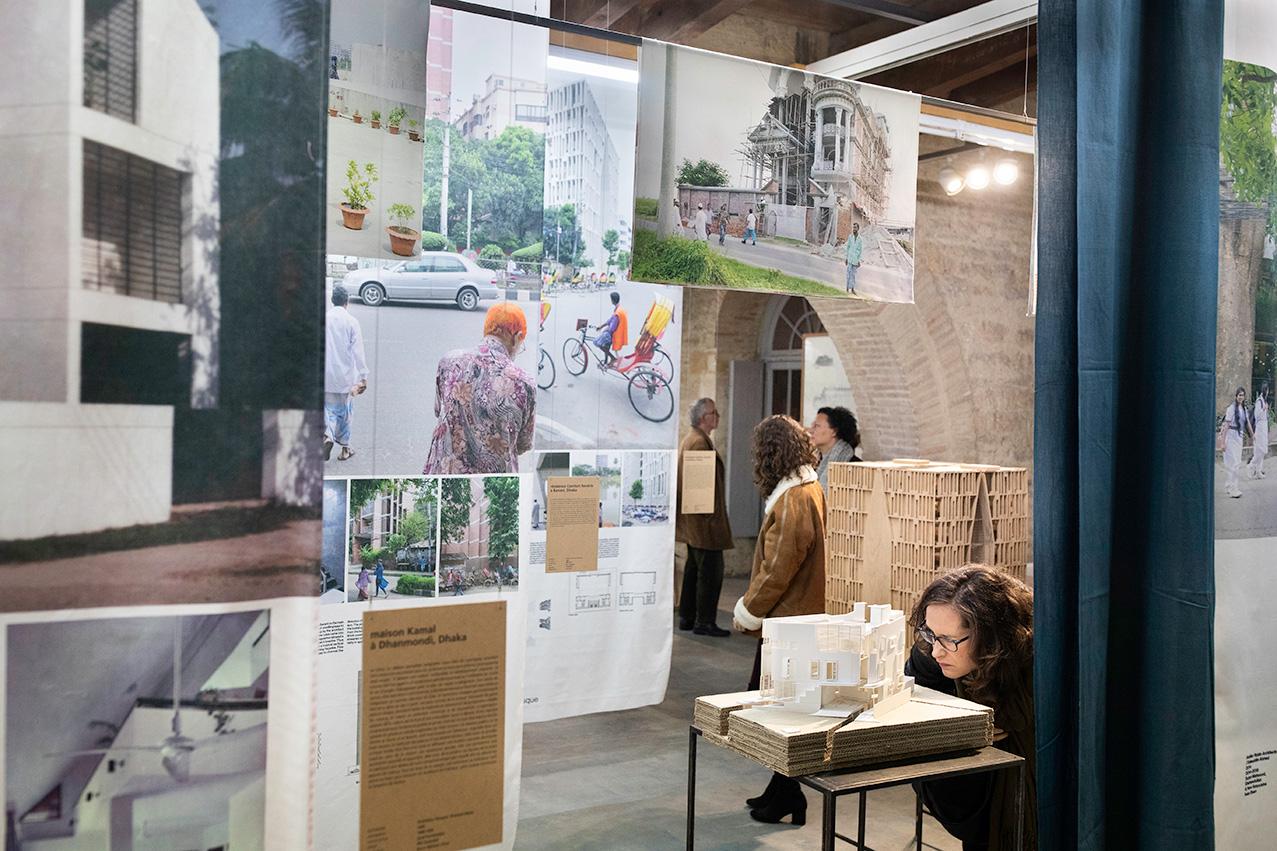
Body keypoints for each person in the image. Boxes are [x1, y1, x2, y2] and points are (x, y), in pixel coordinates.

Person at [731, 415, 826, 826]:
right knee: (780, 707)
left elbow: (777, 570)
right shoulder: (806, 489)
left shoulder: (794, 499)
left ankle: (788, 794)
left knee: (778, 709)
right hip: (796, 618)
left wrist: (747, 610)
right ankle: (782, 790)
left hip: (790, 621)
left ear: (771, 453)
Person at [905, 565, 1036, 851]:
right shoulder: (929, 658)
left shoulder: (1032, 669)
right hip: (964, 800)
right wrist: (960, 729)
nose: (937, 650)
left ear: (990, 636)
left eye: (949, 640)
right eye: (931, 633)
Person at [424, 303, 535, 474]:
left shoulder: (448, 362)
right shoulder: (524, 383)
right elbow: (523, 444)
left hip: (445, 474)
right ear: (517, 337)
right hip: (495, 479)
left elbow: (439, 410)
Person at [676, 398, 734, 637]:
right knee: (710, 572)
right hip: (704, 522)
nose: (717, 416)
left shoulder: (693, 439)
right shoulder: (699, 443)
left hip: (696, 521)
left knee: (694, 568)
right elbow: (699, 488)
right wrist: (711, 521)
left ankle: (688, 617)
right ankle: (704, 621)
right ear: (703, 418)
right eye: (713, 412)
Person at [324, 284, 368, 462]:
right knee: (345, 411)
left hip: (326, 375)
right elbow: (358, 351)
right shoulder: (351, 322)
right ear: (346, 302)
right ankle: (345, 450)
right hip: (345, 376)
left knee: (328, 409)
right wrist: (363, 377)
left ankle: (327, 435)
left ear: (332, 300)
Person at [809, 405, 861, 490]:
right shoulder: (813, 463)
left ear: (834, 431)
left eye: (817, 426)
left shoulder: (855, 467)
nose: (811, 431)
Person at [1221, 386, 1252, 499]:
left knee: (1236, 462)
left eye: (1242, 395)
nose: (1241, 397)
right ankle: (1233, 488)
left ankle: (1229, 485)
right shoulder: (1231, 409)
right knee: (1234, 463)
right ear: (1236, 396)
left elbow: (1247, 423)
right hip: (1231, 436)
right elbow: (1226, 426)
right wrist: (1223, 442)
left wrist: (1252, 435)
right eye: (1239, 395)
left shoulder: (1243, 409)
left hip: (1239, 437)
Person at [592, 291, 628, 369]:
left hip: (613, 334)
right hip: (615, 333)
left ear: (612, 300)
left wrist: (605, 330)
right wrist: (601, 326)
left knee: (597, 343)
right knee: (604, 343)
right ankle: (605, 362)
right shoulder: (619, 309)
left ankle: (612, 358)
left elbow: (612, 328)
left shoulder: (617, 313)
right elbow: (610, 320)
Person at [1249, 381, 1269, 479]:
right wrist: (1264, 409)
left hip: (1264, 427)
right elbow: (1257, 416)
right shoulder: (1259, 401)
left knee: (1263, 449)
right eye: (1267, 390)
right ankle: (1251, 466)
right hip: (1260, 428)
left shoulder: (1264, 401)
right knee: (1260, 449)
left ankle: (1258, 471)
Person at [845, 222, 863, 295]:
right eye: (853, 227)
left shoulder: (860, 239)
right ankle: (847, 289)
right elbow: (848, 247)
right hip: (849, 258)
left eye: (855, 227)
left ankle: (852, 289)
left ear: (858, 229)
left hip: (855, 260)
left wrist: (859, 260)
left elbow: (860, 250)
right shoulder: (850, 237)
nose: (854, 229)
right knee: (848, 274)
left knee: (853, 275)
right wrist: (846, 258)